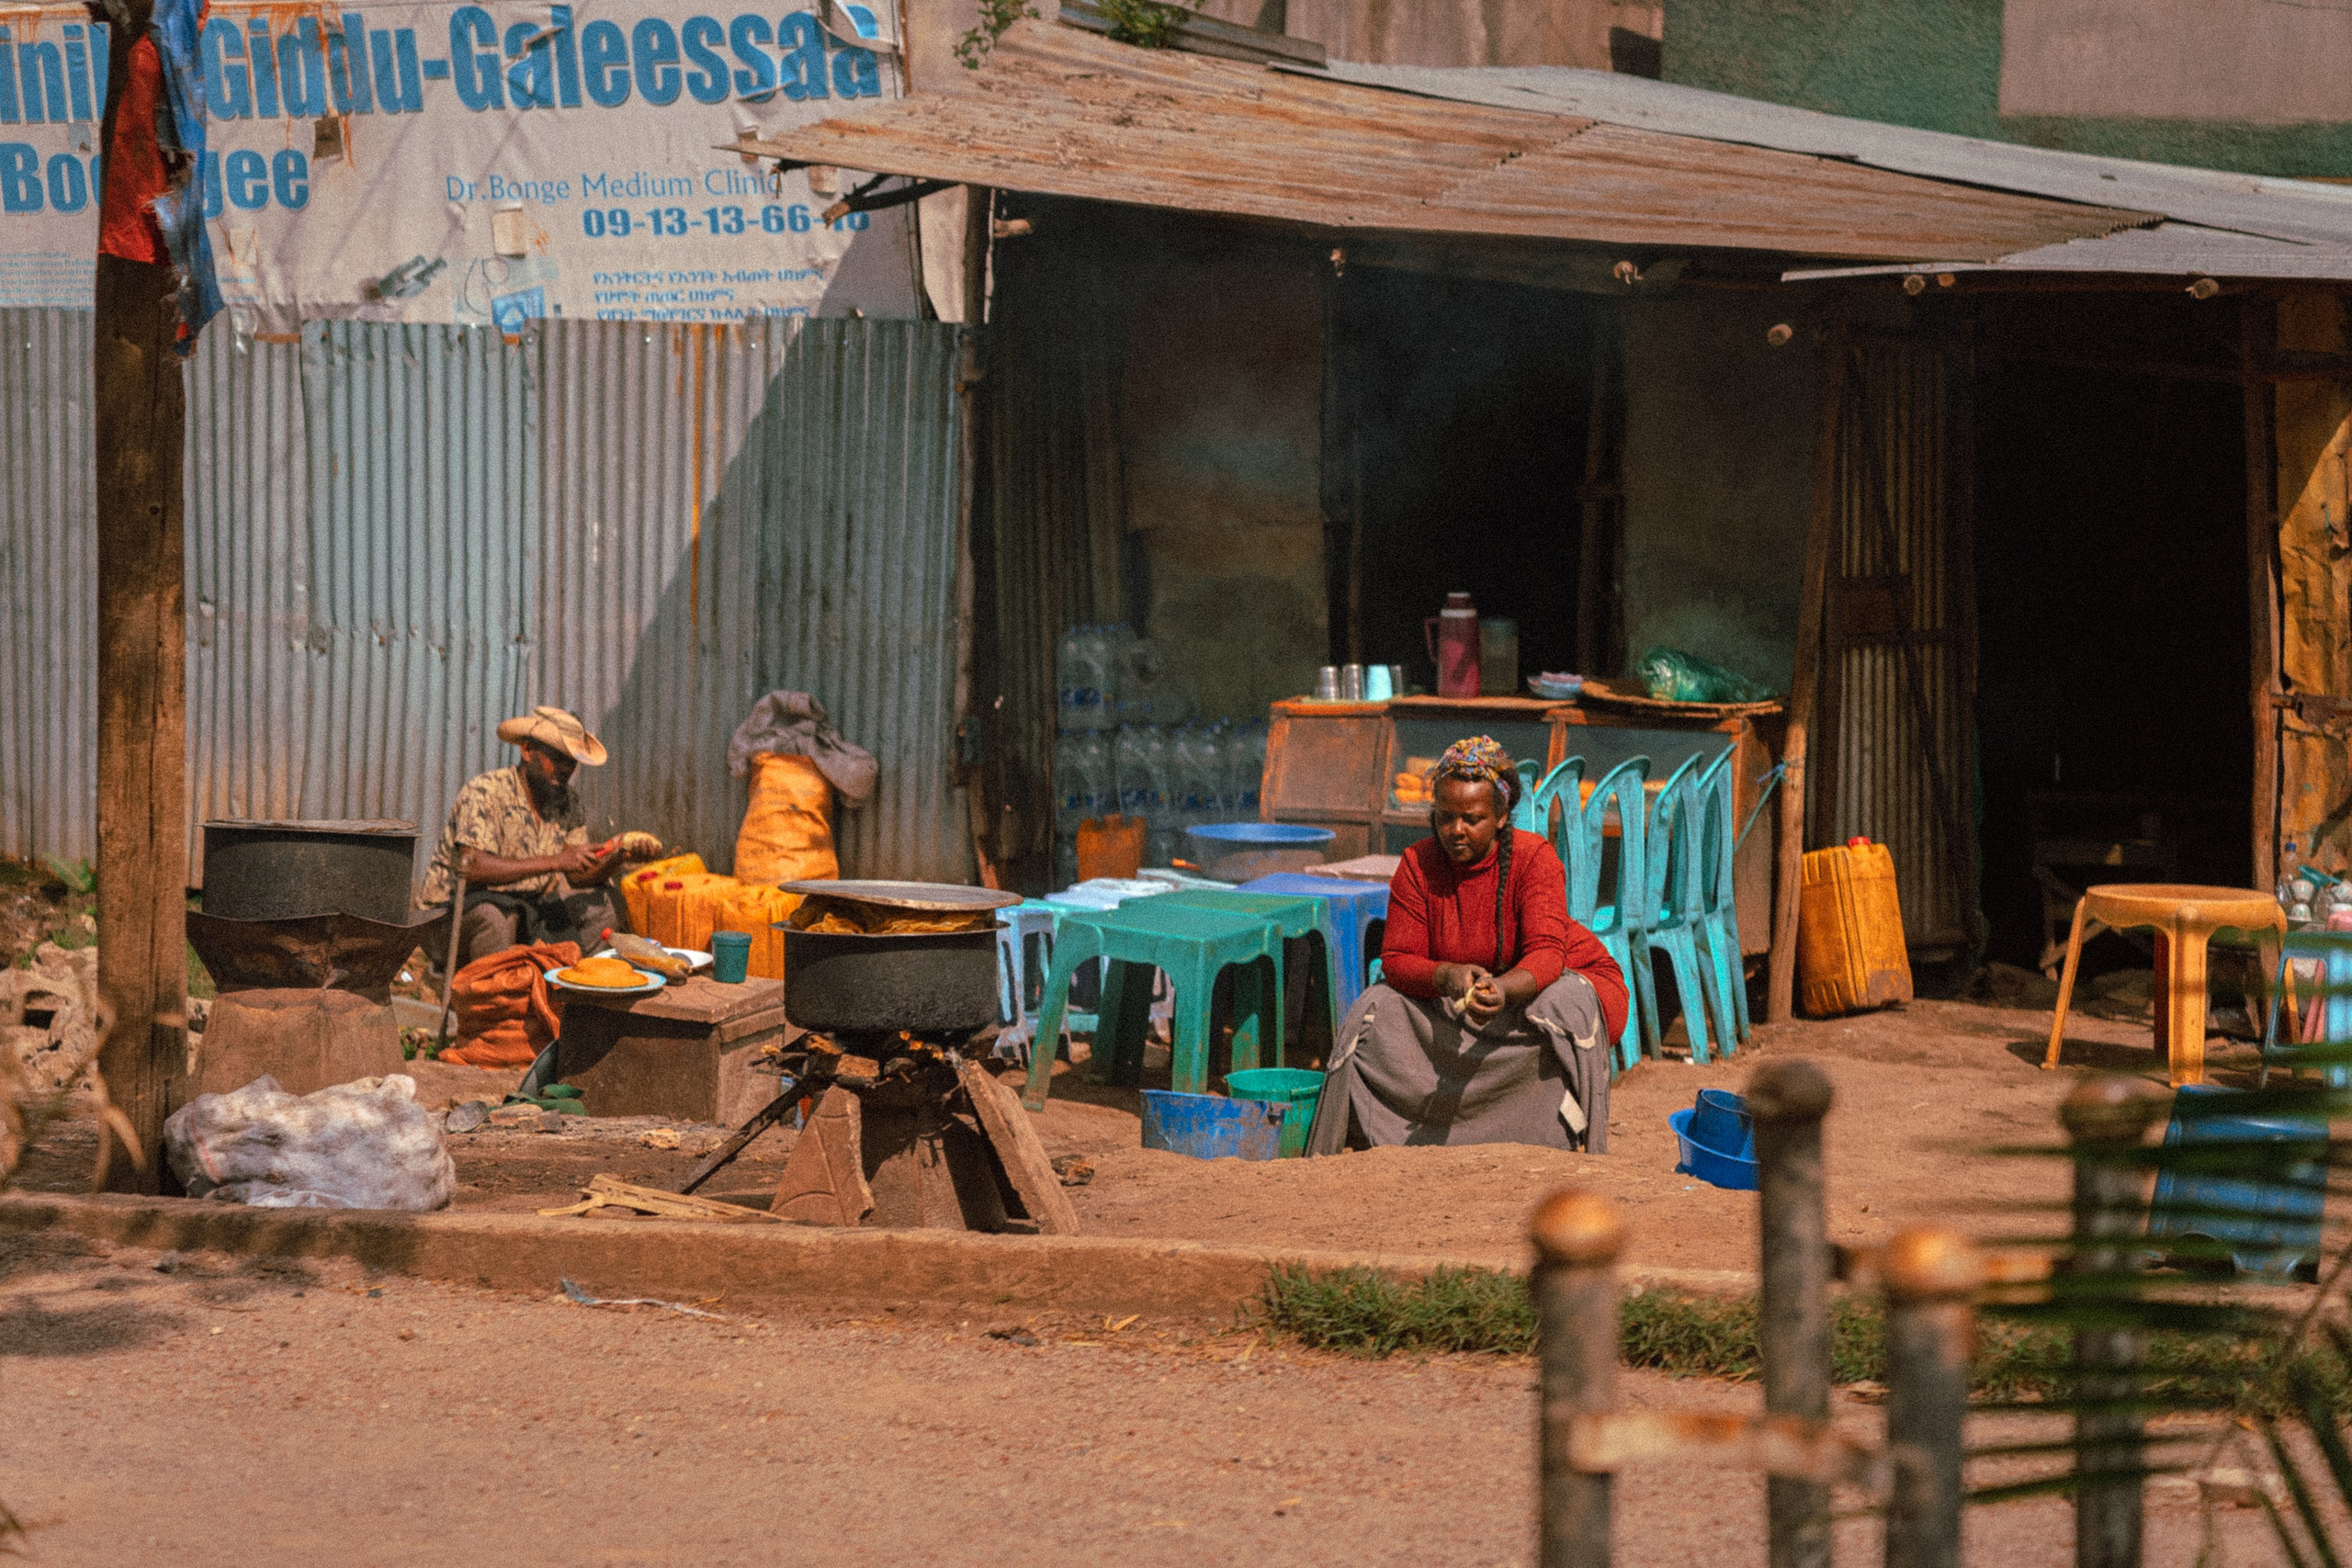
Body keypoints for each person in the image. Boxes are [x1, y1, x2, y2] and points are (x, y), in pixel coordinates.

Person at [1305, 736, 1629, 1155]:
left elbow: (1548, 954)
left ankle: (1546, 1134)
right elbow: (1398, 960)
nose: (1456, 830)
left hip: (1551, 985)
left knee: (1562, 1003)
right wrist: (1446, 975)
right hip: (1465, 997)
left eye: (1471, 819)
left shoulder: (1534, 859)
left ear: (1499, 817)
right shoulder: (1417, 865)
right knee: (1377, 1007)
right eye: (1445, 817)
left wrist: (1505, 989)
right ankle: (1393, 1132)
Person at [418, 705, 639, 966]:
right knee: (496, 917)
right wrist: (556, 860)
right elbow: (472, 867)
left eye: (571, 761)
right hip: (450, 918)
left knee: (607, 904)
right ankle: (496, 1001)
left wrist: (617, 857)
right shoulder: (486, 791)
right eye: (556, 758)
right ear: (526, 751)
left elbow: (577, 876)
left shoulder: (568, 802)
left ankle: (569, 994)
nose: (565, 768)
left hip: (527, 910)